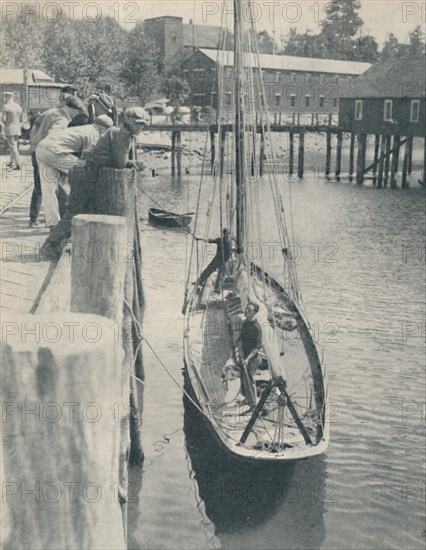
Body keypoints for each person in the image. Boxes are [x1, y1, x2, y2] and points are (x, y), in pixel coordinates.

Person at [40, 107, 149, 260]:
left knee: (89, 210)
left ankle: (75, 246)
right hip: (85, 175)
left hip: (88, 173)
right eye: (137, 123)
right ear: (127, 121)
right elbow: (120, 163)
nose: (140, 127)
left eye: (143, 124)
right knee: (75, 212)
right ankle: (50, 247)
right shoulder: (122, 134)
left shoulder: (119, 131)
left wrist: (130, 162)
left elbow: (113, 158)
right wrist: (133, 163)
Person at [36, 114, 113, 229]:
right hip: (55, 151)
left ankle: (53, 223)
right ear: (103, 128)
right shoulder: (93, 134)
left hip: (41, 149)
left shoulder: (84, 128)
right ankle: (85, 215)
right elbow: (88, 158)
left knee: (49, 190)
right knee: (84, 174)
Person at [28, 97, 88, 228]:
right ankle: (59, 220)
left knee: (39, 186)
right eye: (77, 112)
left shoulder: (49, 112)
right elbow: (53, 137)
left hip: (35, 150)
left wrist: (34, 143)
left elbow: (34, 127)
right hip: (47, 153)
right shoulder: (62, 119)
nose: (76, 116)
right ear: (73, 109)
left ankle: (34, 218)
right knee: (58, 186)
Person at [238, 302, 262, 411]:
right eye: (246, 309)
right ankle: (247, 399)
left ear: (254, 313)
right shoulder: (246, 322)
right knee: (243, 378)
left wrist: (247, 359)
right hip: (245, 355)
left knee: (249, 380)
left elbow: (257, 347)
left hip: (252, 358)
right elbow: (241, 338)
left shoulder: (256, 328)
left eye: (249, 310)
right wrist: (241, 352)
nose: (246, 311)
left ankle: (253, 405)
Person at [1, 92, 23, 170]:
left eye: (4, 96)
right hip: (17, 129)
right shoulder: (19, 107)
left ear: (7, 97)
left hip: (9, 129)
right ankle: (12, 162)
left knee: (13, 147)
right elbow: (21, 120)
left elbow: (4, 120)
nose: (3, 98)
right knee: (14, 146)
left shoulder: (6, 107)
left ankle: (18, 164)